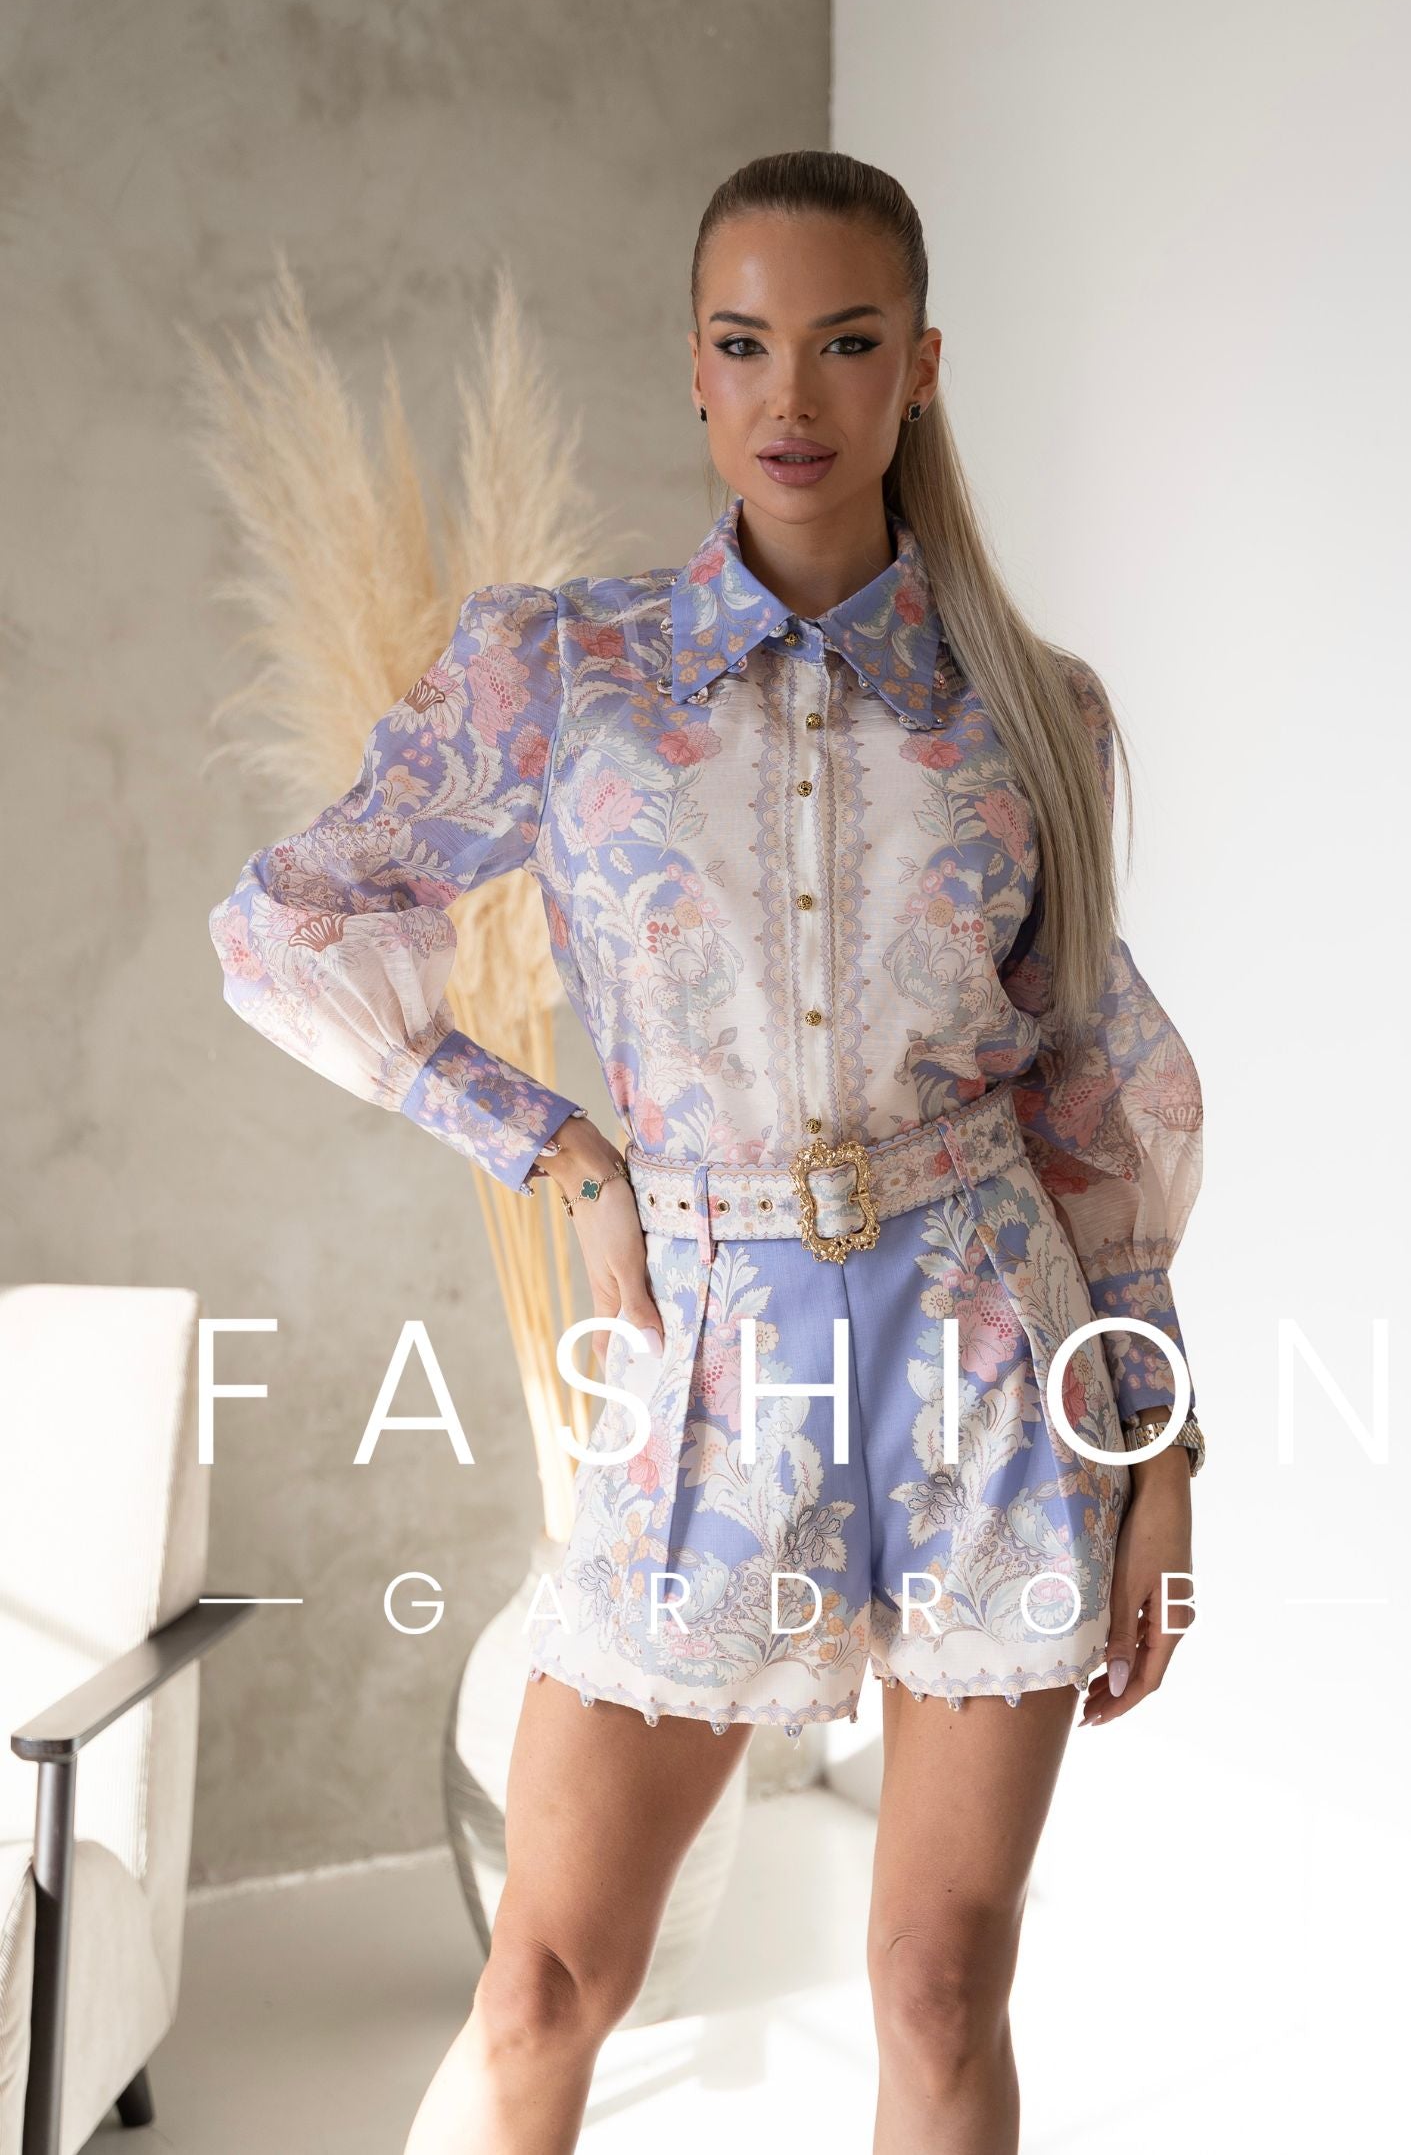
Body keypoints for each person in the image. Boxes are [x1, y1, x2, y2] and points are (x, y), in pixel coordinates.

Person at [208, 149, 1205, 2155]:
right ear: (690, 366)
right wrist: (559, 1151)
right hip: (708, 1373)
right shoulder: (564, 673)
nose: (792, 395)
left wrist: (1161, 1453)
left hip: (992, 1368)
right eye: (745, 344)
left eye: (846, 343)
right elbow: (285, 922)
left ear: (919, 367)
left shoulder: (1037, 712)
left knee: (936, 1985)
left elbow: (1092, 1103)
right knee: (545, 1980)